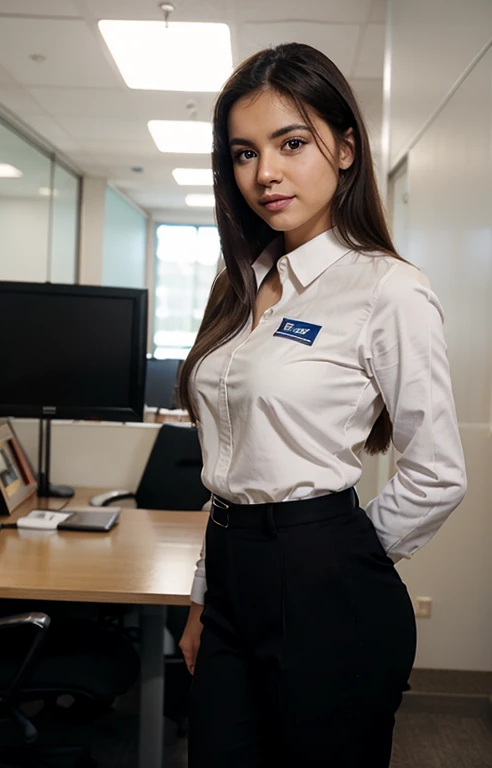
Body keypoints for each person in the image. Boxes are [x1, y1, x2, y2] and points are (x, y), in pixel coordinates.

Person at [177, 42, 467, 768]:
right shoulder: (240, 284)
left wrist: (343, 558)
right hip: (229, 577)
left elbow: (437, 472)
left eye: (291, 142)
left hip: (326, 581)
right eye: (244, 153)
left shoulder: (387, 289)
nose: (265, 173)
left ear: (344, 148)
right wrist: (203, 596)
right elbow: (231, 466)